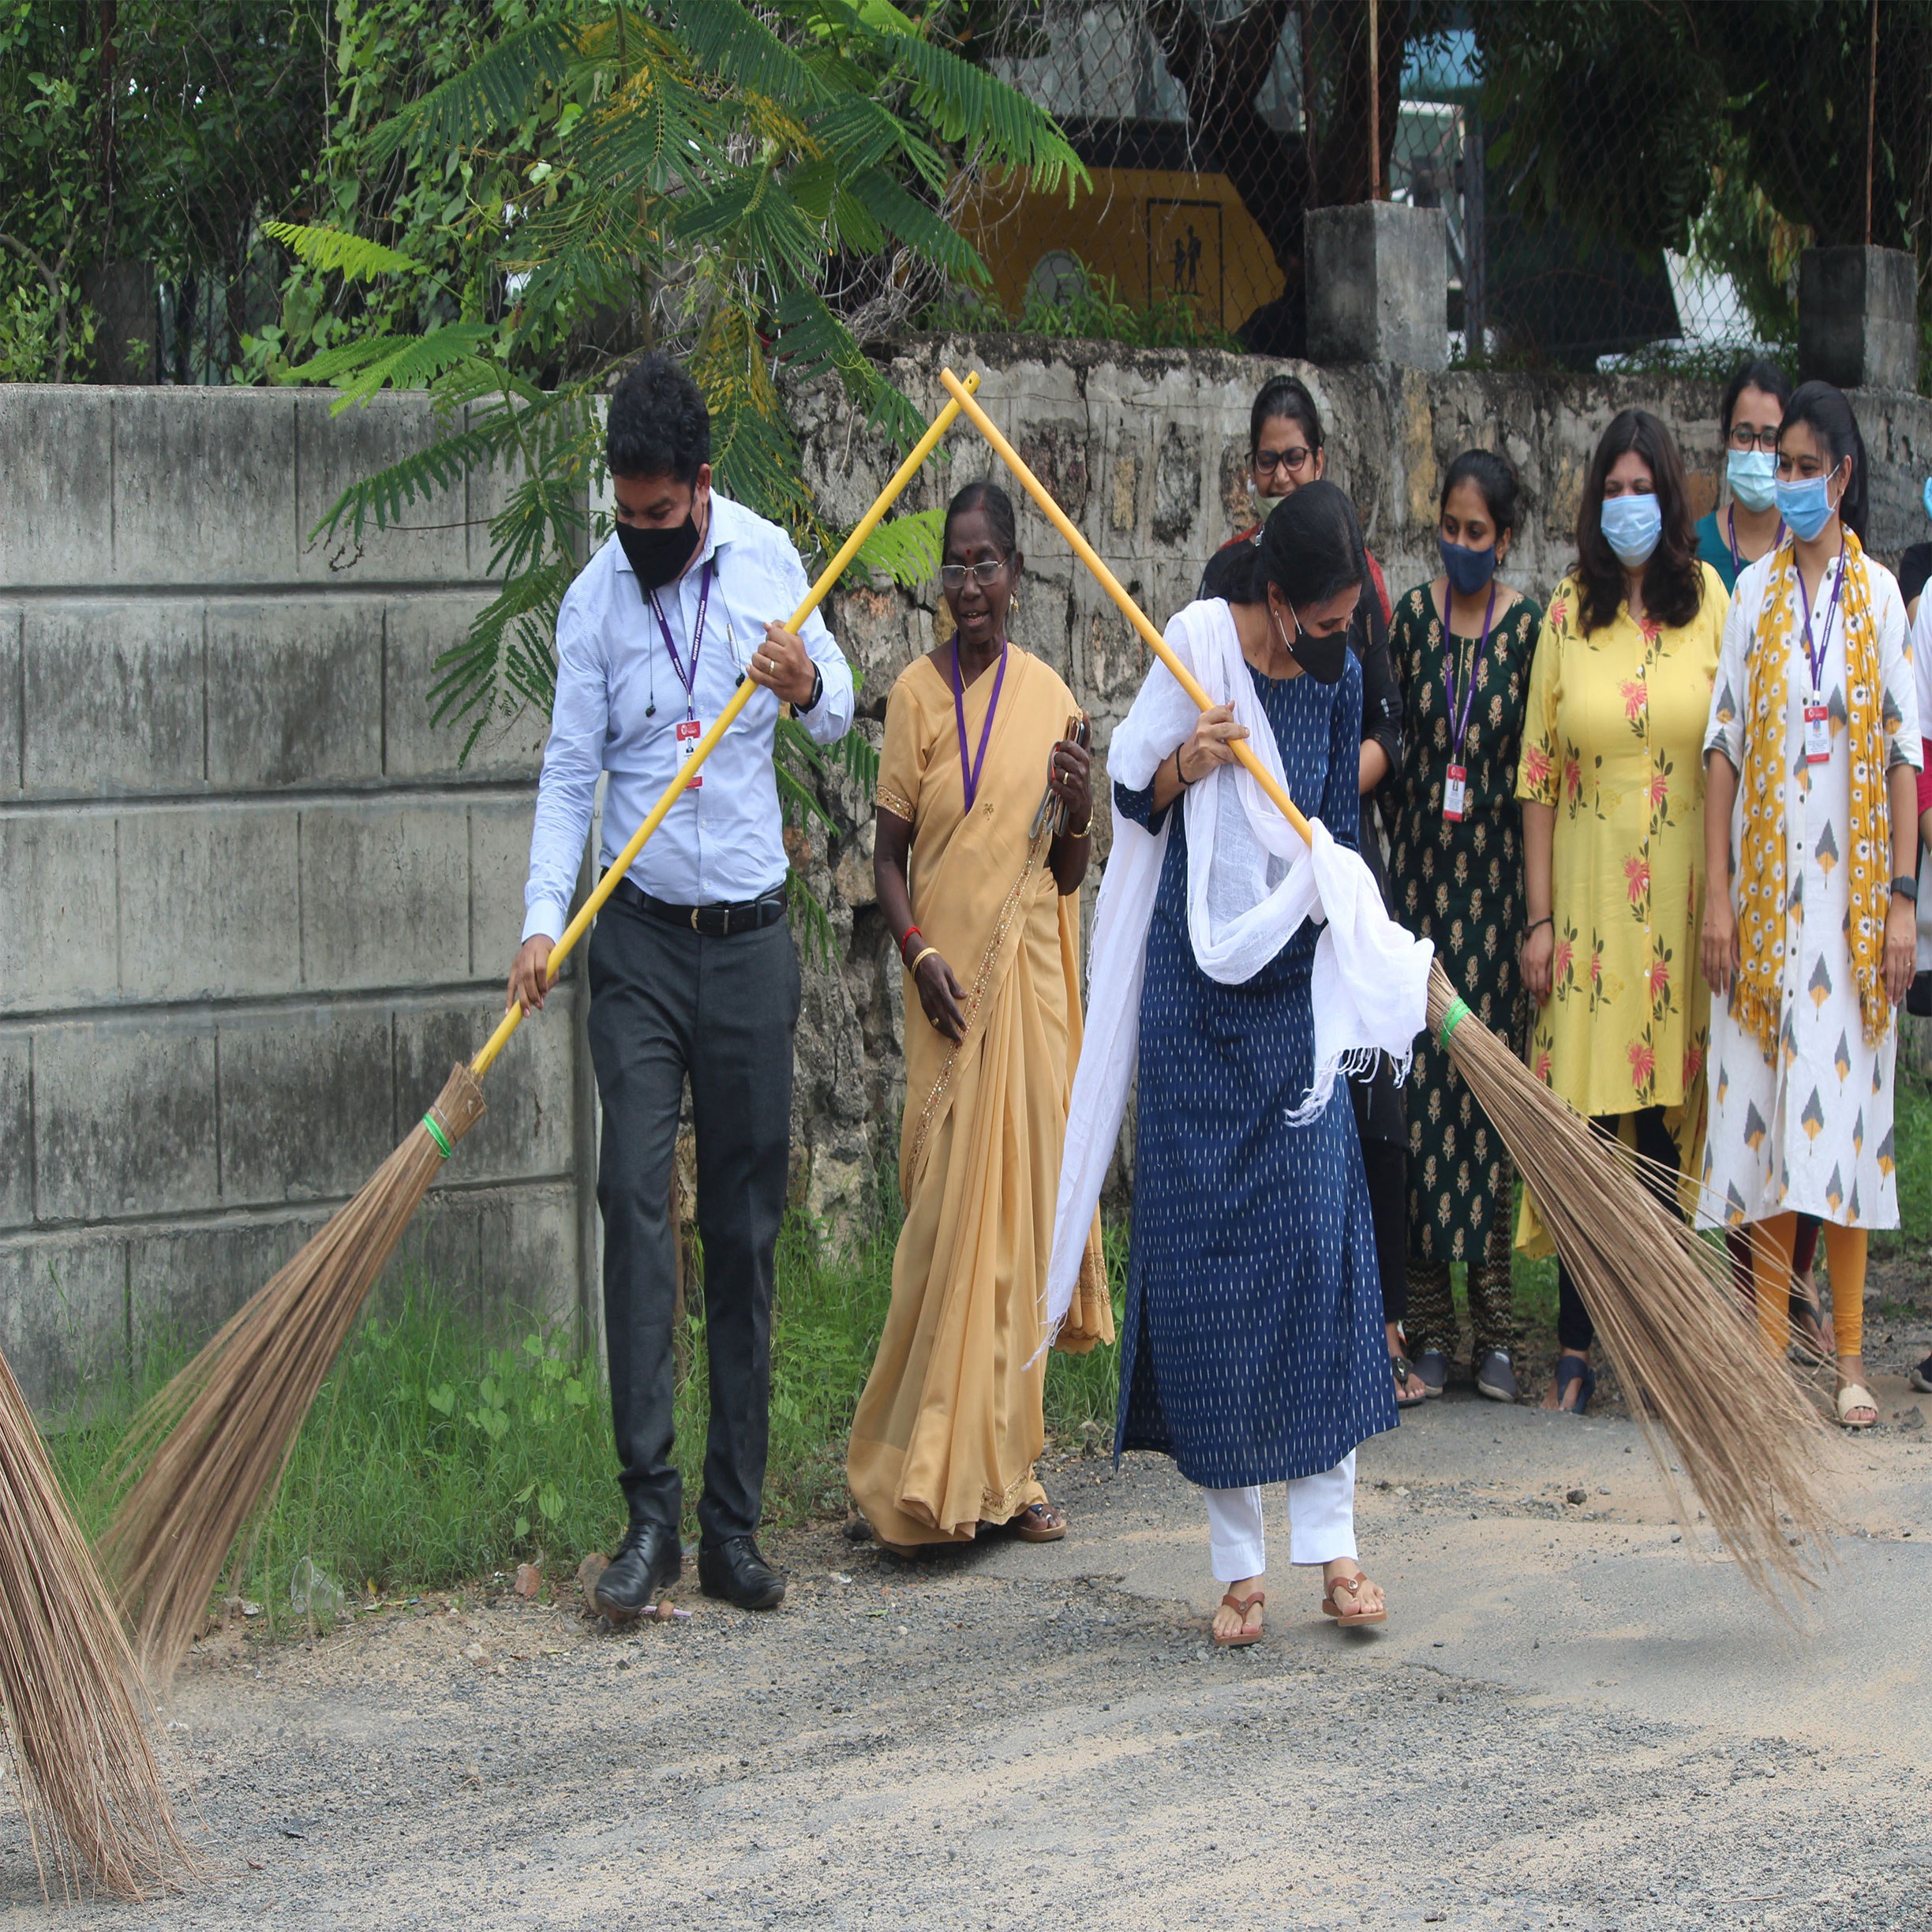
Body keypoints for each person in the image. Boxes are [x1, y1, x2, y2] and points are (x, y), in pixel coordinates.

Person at [508, 353, 856, 1617]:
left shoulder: (768, 559)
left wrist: (806, 681)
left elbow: (842, 709)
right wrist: (546, 921)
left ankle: (732, 1529)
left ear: (702, 489)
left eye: (661, 515)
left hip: (753, 938)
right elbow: (567, 772)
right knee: (630, 1196)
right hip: (640, 941)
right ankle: (647, 1520)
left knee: (746, 1228)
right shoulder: (594, 602)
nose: (641, 534)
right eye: (625, 512)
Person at [1110, 481, 1407, 1645]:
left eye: (1349, 623)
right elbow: (1133, 792)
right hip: (1197, 1007)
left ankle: (1334, 1551)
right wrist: (1193, 761)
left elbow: (1332, 824)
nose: (1340, 643)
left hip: (1296, 998)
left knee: (1318, 1262)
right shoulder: (1192, 650)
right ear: (1276, 601)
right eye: (1324, 622)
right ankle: (1239, 1568)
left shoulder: (1334, 680)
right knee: (1211, 1276)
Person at [846, 482, 1114, 1553]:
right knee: (943, 1239)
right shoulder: (913, 696)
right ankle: (909, 1472)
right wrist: (917, 958)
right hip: (943, 999)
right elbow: (885, 861)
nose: (969, 586)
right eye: (954, 567)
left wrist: (1081, 806)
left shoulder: (1055, 700)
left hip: (1030, 1000)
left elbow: (1068, 870)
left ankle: (1012, 1473)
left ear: (1016, 572)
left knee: (1016, 1246)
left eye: (986, 564)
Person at [1699, 382, 1921, 1433]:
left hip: (1854, 908)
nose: (1785, 481)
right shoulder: (1752, 595)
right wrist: (1719, 902)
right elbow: (1724, 749)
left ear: (1840, 475)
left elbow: (1901, 756)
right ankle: (1757, 1358)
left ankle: (1845, 1359)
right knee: (1766, 1119)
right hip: (1768, 904)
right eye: (1774, 463)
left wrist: (1908, 905)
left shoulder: (1881, 597)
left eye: (1801, 464)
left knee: (1846, 1122)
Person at [1204, 378, 1417, 1407]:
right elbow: (1183, 773)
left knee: (1354, 1126)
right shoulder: (1219, 600)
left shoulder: (1355, 596)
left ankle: (1366, 1334)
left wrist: (1322, 853)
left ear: (1321, 462)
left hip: (1330, 882)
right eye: (1268, 459)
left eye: (1298, 456)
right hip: (1247, 918)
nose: (1282, 473)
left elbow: (1382, 734)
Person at [1518, 410, 1725, 1413]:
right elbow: (1535, 778)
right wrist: (1540, 920)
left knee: (1666, 1116)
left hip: (1684, 901)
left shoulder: (1712, 605)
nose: (1628, 504)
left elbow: (1734, 761)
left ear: (1671, 498)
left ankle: (1664, 1339)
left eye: (1645, 487)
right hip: (1592, 900)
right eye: (1613, 488)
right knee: (1589, 1118)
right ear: (1596, 502)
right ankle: (1576, 1341)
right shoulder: (1568, 610)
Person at [1387, 451, 1543, 1402]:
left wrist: (1537, 916)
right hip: (1421, 893)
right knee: (1421, 1112)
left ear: (1506, 538)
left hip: (1493, 899)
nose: (1460, 544)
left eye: (1477, 532)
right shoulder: (1408, 620)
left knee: (1486, 1115)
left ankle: (1495, 1329)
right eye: (1449, 526)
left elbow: (1535, 775)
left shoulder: (1528, 632)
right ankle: (1431, 1325)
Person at [1694, 358, 1792, 595]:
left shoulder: (1807, 546)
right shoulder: (1695, 547)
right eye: (1744, 435)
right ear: (1727, 438)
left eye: (1770, 438)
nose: (1756, 451)